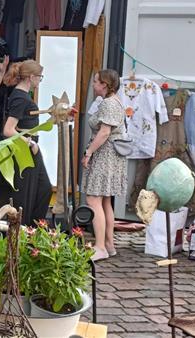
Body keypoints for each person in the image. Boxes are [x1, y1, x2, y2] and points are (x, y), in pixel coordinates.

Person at [0, 59, 52, 226]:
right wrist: (29, 143)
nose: (39, 81)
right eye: (39, 77)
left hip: (29, 150)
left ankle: (33, 229)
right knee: (26, 194)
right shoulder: (20, 98)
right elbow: (8, 129)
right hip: (24, 151)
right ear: (31, 77)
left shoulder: (22, 96)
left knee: (44, 190)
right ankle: (23, 231)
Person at [81, 69, 128, 261]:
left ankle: (100, 246)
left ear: (105, 85)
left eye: (95, 82)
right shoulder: (113, 101)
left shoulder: (108, 103)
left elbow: (104, 132)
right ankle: (109, 243)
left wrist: (89, 152)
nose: (93, 85)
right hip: (111, 156)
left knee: (93, 199)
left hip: (105, 155)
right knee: (105, 200)